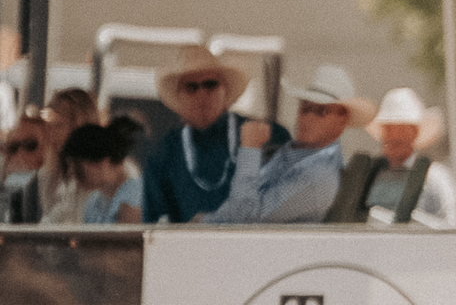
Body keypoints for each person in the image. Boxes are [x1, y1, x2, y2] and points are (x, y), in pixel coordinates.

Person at [197, 65, 375, 224]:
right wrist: (204, 222)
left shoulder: (317, 176)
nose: (308, 118)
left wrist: (250, 148)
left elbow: (245, 217)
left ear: (342, 120)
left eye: (321, 111)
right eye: (305, 108)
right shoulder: (298, 154)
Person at [142, 44, 291, 223]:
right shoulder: (164, 151)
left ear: (226, 91)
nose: (202, 93)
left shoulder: (269, 134)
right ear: (178, 99)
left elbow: (282, 203)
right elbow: (154, 222)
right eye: (191, 87)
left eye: (210, 84)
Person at [362, 87, 456, 226]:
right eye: (389, 128)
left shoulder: (436, 177)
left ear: (414, 132)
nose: (394, 136)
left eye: (402, 129)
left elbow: (453, 224)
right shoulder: (368, 177)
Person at [59, 119, 144, 224]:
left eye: (78, 169)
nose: (74, 176)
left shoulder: (133, 199)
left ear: (104, 162)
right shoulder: (93, 202)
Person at [38, 88, 103, 223]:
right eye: (50, 127)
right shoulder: (56, 170)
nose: (52, 134)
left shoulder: (98, 170)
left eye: (60, 126)